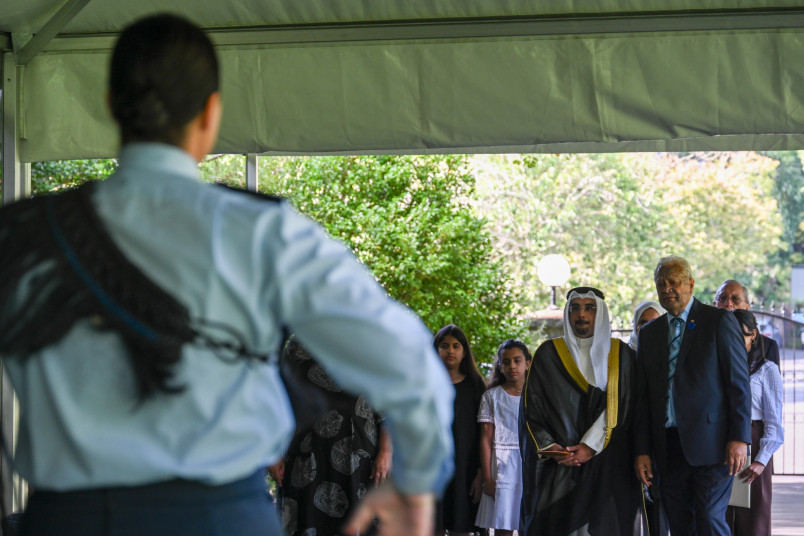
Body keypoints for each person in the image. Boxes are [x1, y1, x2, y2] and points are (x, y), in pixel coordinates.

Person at [0, 14, 454, 536]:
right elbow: (409, 364)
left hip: (67, 522)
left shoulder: (24, 234)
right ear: (211, 111)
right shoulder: (266, 233)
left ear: (110, 104)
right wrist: (416, 479)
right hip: (222, 518)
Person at [634, 256, 751, 536]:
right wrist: (642, 450)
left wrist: (739, 438)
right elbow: (642, 398)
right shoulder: (649, 334)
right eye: (661, 284)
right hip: (667, 449)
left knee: (710, 520)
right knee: (680, 525)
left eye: (673, 282)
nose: (667, 289)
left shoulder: (719, 321)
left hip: (713, 447)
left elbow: (738, 384)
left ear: (691, 283)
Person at [520, 287, 640, 536]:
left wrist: (589, 445)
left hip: (607, 463)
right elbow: (531, 409)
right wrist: (551, 447)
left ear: (601, 313)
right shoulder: (548, 354)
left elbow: (624, 405)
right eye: (575, 308)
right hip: (559, 465)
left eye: (589, 308)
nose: (581, 315)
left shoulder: (622, 355)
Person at [271, 338, 393, 536]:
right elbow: (277, 400)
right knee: (306, 523)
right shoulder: (297, 344)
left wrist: (386, 451)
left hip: (358, 457)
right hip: (305, 458)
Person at [726, 310, 784, 536]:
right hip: (723, 444)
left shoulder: (766, 370)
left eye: (738, 335)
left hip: (755, 443)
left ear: (753, 335)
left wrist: (761, 461)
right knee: (722, 516)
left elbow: (774, 422)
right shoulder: (720, 367)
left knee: (753, 518)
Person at [433, 324, 486, 536]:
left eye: (456, 346)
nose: (451, 351)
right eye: (444, 346)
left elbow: (484, 434)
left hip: (466, 469)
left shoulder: (475, 386)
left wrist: (481, 473)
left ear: (464, 352)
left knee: (460, 525)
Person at [475, 339, 531, 536]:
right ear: (500, 365)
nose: (512, 366)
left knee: (530, 523)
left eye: (517, 361)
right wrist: (488, 478)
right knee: (503, 526)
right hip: (502, 468)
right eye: (506, 362)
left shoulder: (536, 395)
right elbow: (485, 439)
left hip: (529, 465)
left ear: (527, 363)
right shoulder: (492, 397)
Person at [714, 279, 781, 366]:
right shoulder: (703, 341)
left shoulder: (767, 347)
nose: (729, 303)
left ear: (747, 307)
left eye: (736, 299)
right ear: (714, 305)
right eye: (723, 298)